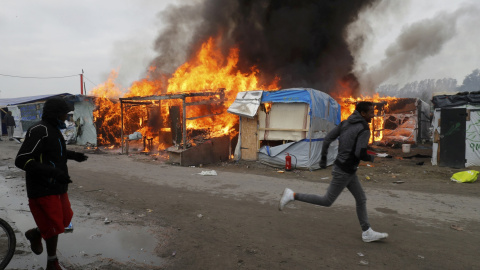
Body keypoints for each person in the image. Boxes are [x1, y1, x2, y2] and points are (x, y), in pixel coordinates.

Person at [278, 101, 388, 243]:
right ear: (363, 114)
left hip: (346, 169)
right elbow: (359, 153)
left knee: (361, 199)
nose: (373, 116)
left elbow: (328, 138)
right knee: (327, 200)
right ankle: (292, 195)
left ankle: (367, 231)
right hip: (344, 170)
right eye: (371, 113)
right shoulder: (364, 128)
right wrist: (373, 157)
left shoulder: (345, 123)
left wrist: (323, 158)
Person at [15, 97, 88, 270]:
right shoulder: (39, 130)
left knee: (64, 219)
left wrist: (73, 155)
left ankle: (35, 233)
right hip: (43, 187)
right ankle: (52, 263)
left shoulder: (53, 129)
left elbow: (54, 152)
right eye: (64, 114)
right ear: (56, 114)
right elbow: (22, 160)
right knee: (54, 225)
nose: (66, 118)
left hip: (58, 185)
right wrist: (52, 172)